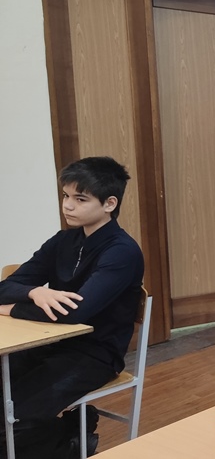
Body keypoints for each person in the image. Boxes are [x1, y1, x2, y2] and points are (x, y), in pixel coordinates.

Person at [0, 156, 144, 458]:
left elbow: (75, 312)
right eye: (65, 196)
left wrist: (12, 309)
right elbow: (6, 287)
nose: (67, 206)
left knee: (16, 414)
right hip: (46, 342)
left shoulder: (123, 252)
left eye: (80, 199)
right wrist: (35, 291)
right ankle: (71, 429)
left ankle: (70, 441)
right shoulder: (63, 241)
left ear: (109, 203)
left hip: (93, 354)